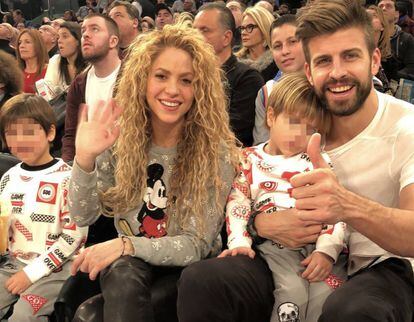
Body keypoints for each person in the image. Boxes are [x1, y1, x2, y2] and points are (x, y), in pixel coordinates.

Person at [177, 1, 414, 322]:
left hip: (381, 265)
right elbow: (251, 187)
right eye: (324, 60)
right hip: (287, 255)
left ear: (374, 60)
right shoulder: (296, 122)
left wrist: (345, 205)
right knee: (204, 280)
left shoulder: (406, 127)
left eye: (350, 56)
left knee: (352, 311)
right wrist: (261, 223)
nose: (337, 71)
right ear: (309, 70)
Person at [68, 24, 238, 322]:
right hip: (130, 269)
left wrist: (126, 244)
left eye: (186, 80)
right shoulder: (119, 138)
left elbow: (195, 244)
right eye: (161, 76)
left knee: (92, 312)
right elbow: (83, 215)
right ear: (141, 80)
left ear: (200, 89)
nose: (172, 90)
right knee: (116, 278)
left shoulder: (216, 151)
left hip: (188, 274)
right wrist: (84, 158)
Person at [220, 71, 346, 322]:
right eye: (292, 121)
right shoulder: (248, 160)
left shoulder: (319, 162)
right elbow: (238, 204)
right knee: (292, 292)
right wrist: (239, 243)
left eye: (311, 129)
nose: (299, 134)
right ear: (271, 115)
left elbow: (337, 210)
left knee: (330, 292)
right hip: (278, 248)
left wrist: (326, 251)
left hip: (323, 247)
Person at [0, 94, 87, 321]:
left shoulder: (68, 179)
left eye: (28, 132)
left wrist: (30, 273)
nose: (20, 141)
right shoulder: (9, 177)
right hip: (13, 263)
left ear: (50, 133)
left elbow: (74, 237)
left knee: (23, 316)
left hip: (56, 269)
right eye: (11, 133)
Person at [194, 3, 264, 147]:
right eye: (193, 30)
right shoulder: (189, 75)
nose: (195, 36)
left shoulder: (248, 78)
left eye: (204, 30)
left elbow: (233, 134)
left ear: (226, 38)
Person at [62, 13, 122, 162]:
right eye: (83, 31)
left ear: (113, 41)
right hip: (88, 166)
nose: (86, 35)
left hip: (126, 164)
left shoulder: (133, 77)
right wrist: (67, 166)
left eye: (94, 29)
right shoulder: (79, 83)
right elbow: (71, 134)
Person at [253, 14, 306, 145]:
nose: (285, 51)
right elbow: (262, 146)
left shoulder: (324, 84)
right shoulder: (266, 93)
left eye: (292, 42)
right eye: (277, 46)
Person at [44, 22, 87, 97]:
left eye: (65, 36)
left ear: (78, 40)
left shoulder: (90, 63)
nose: (59, 41)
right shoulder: (55, 61)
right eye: (58, 37)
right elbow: (47, 91)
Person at [236, 5, 277, 82]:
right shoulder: (235, 64)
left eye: (250, 27)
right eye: (242, 28)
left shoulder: (277, 64)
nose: (243, 33)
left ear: (264, 29)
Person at [379, 0, 414, 81]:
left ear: (396, 14)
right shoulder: (370, 38)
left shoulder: (407, 39)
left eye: (388, 6)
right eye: (380, 6)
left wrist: (391, 76)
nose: (383, 8)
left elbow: (411, 67)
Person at [366, 5, 392, 93]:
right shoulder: (358, 53)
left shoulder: (390, 59)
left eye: (374, 15)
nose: (368, 18)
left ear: (382, 26)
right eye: (366, 16)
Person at [16, 29, 48, 94]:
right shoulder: (14, 72)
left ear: (38, 46)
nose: (21, 46)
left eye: (27, 42)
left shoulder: (50, 70)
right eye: (20, 43)